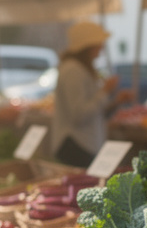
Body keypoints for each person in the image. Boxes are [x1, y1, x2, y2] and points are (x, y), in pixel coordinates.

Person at [51, 20, 132, 167]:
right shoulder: (73, 71)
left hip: (83, 145)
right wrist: (105, 92)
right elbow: (79, 115)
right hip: (76, 146)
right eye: (98, 43)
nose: (102, 47)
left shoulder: (80, 69)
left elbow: (95, 113)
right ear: (87, 46)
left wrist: (116, 102)